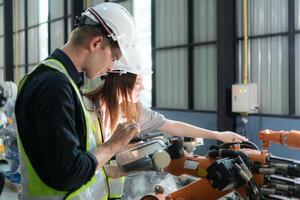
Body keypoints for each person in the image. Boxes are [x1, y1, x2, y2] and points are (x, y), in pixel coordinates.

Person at [15, 3, 141, 200]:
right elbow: (69, 174)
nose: (110, 68)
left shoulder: (61, 81)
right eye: (113, 57)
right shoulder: (54, 85)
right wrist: (112, 145)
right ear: (96, 43)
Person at [83, 59, 248, 199]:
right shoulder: (86, 108)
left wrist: (217, 135)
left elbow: (172, 126)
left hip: (107, 191)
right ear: (121, 81)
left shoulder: (134, 109)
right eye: (138, 82)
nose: (143, 88)